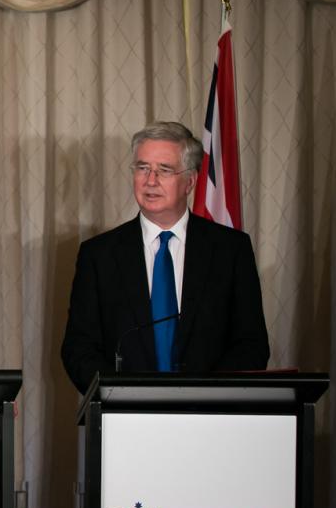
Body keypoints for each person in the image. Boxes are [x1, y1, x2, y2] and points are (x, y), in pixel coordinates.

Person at [60, 121, 270, 393]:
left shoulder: (230, 250)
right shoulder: (99, 255)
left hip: (210, 418)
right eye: (143, 168)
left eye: (165, 170)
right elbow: (79, 348)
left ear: (190, 181)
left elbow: (251, 344)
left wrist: (208, 398)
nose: (150, 180)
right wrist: (120, 398)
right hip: (125, 420)